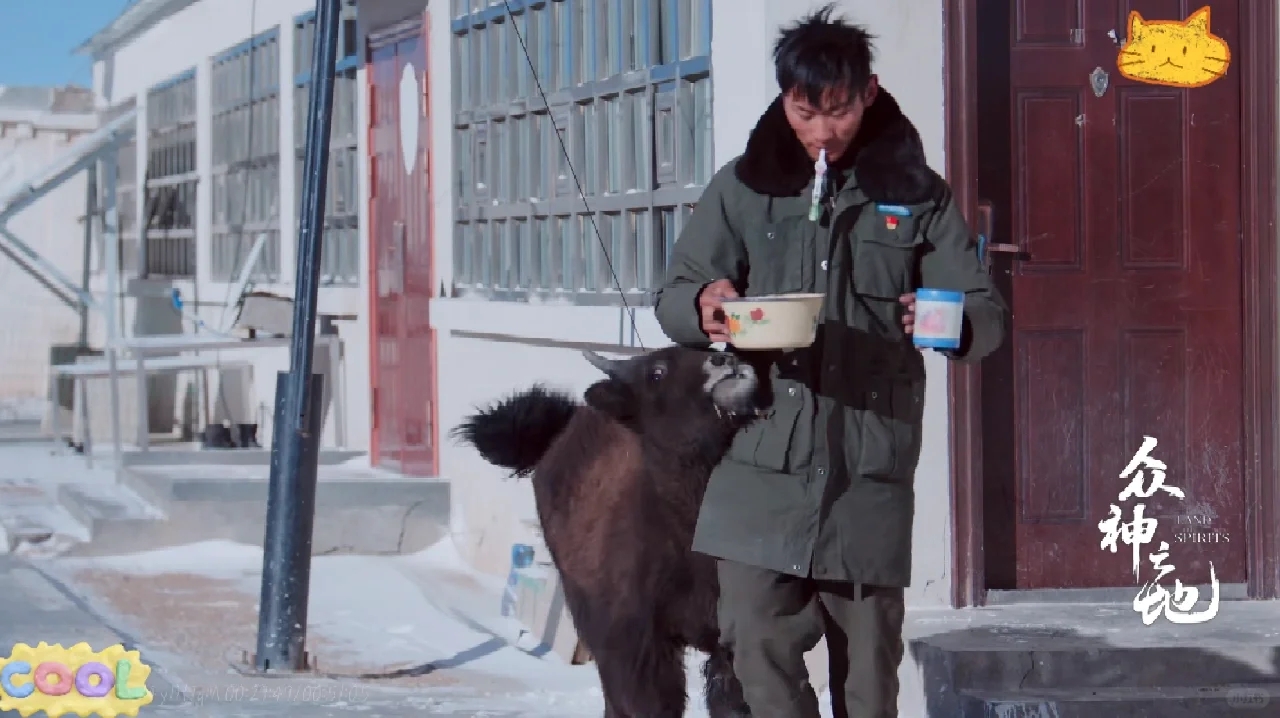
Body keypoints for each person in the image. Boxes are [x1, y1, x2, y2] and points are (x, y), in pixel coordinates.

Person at [653, 5, 1009, 718]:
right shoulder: (742, 188)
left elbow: (984, 313)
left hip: (867, 472)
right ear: (785, 99)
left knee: (870, 680)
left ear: (867, 93)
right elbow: (675, 290)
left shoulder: (918, 198)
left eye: (838, 112)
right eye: (804, 113)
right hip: (759, 467)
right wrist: (706, 305)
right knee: (754, 644)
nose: (821, 133)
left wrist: (940, 321)